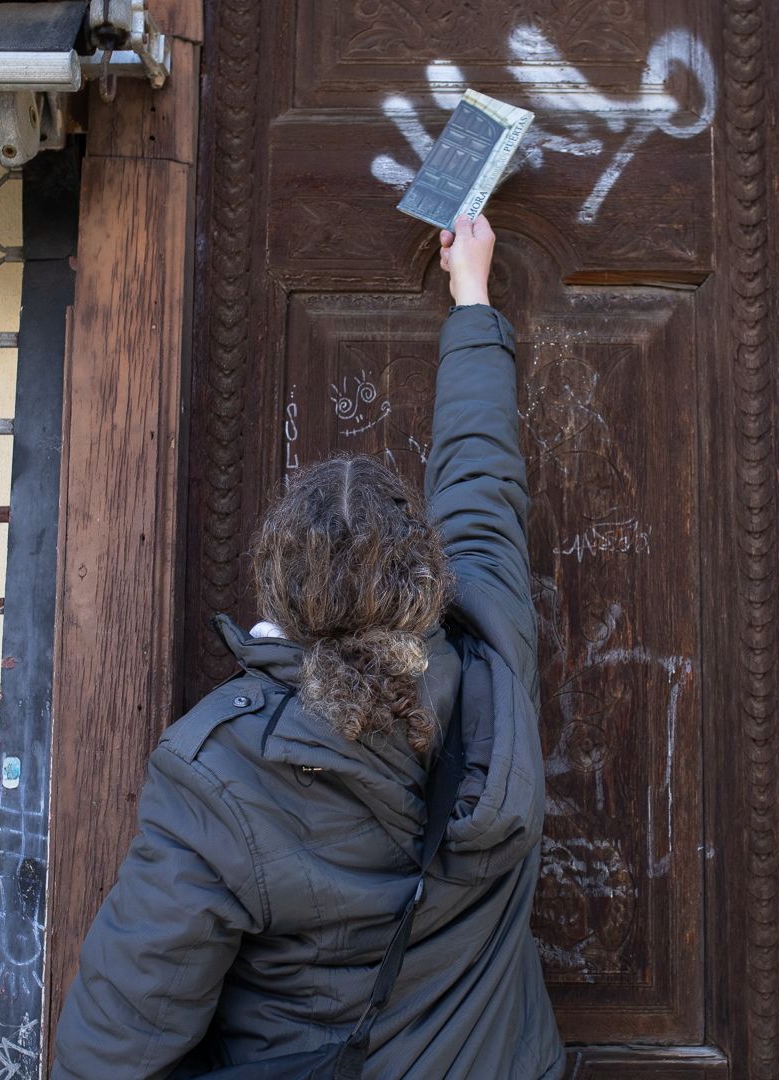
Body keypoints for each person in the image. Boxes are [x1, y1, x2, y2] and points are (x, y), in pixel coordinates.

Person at [51, 213, 565, 1080]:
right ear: (429, 580)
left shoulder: (219, 772)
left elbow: (120, 1035)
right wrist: (472, 297)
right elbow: (481, 482)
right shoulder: (493, 647)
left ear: (279, 591)